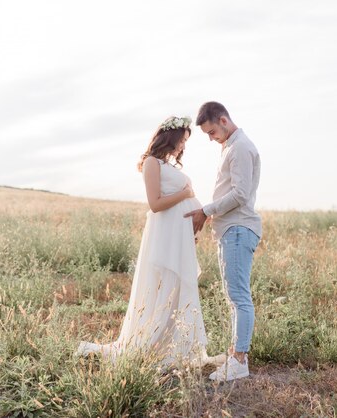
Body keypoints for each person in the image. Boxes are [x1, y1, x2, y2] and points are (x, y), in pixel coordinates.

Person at [76, 116, 208, 367]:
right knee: (162, 288)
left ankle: (175, 345)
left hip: (177, 237)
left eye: (185, 142)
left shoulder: (170, 166)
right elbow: (155, 204)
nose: (183, 146)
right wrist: (186, 193)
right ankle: (151, 342)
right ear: (169, 137)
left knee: (178, 288)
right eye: (181, 140)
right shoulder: (151, 163)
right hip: (164, 238)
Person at [185, 101, 262, 382]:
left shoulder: (240, 147)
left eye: (211, 131)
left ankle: (239, 361)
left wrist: (206, 210)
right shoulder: (230, 146)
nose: (210, 137)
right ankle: (235, 354)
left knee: (239, 297)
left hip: (239, 229)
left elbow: (241, 195)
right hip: (232, 230)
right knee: (234, 298)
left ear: (224, 120)